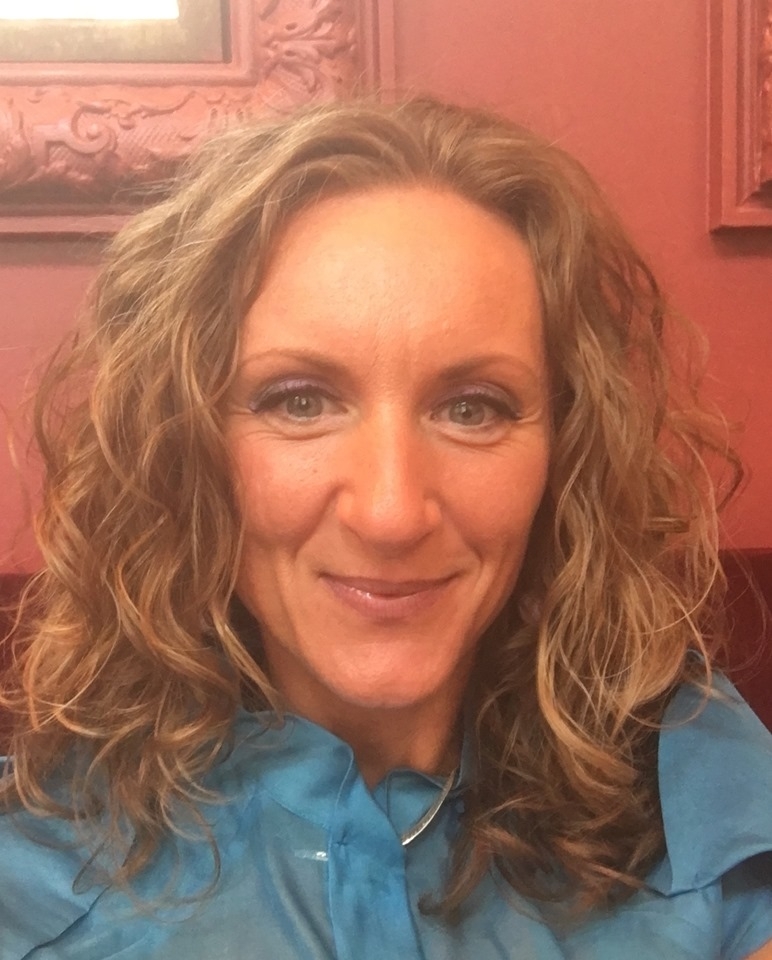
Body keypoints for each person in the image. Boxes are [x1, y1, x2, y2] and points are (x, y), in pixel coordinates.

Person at [1, 96, 771, 960]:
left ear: (564, 450)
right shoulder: (34, 879)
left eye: (472, 409)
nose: (392, 512)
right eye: (299, 402)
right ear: (183, 445)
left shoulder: (681, 768)